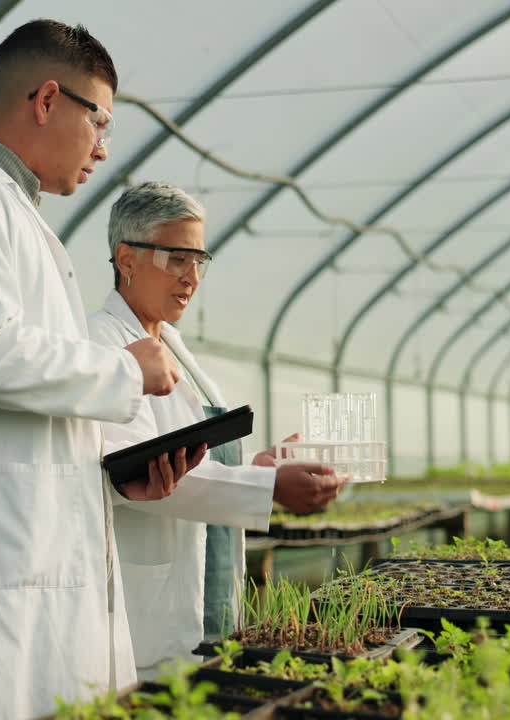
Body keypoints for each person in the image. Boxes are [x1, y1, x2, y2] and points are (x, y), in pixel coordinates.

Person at [0, 21, 202, 719]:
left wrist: (113, 476)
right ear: (48, 99)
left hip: (42, 556)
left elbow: (43, 403)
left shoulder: (26, 223)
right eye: (100, 121)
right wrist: (123, 372)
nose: (103, 148)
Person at [88, 182, 346, 679]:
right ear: (127, 259)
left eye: (199, 261)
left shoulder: (174, 346)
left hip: (211, 588)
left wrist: (256, 466)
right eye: (177, 259)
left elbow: (194, 457)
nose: (191, 278)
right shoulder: (101, 348)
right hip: (151, 612)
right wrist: (268, 488)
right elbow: (137, 473)